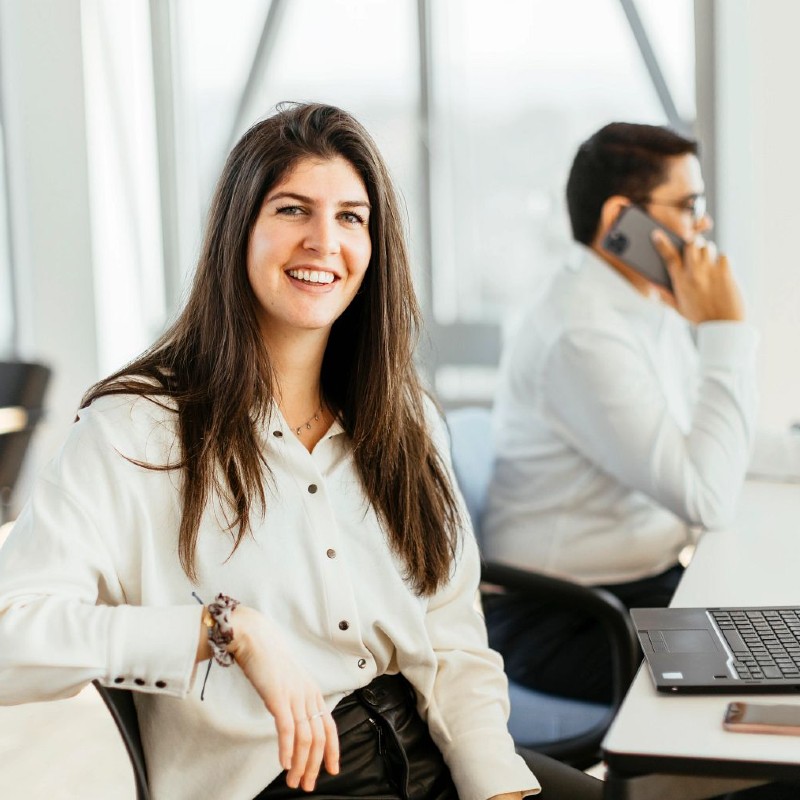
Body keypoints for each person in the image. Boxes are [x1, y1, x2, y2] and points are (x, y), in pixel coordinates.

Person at [0, 103, 604, 800]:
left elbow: (453, 643)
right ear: (238, 232)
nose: (325, 241)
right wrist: (220, 631)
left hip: (431, 757)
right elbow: (12, 635)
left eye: (351, 217)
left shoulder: (404, 418)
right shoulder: (137, 426)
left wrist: (495, 785)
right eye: (293, 210)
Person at [483, 122, 756, 704]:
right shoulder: (582, 334)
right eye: (689, 205)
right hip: (567, 619)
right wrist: (725, 331)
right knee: (765, 676)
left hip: (641, 589)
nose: (702, 224)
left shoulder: (641, 305)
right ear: (621, 220)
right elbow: (708, 497)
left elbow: (705, 442)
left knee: (774, 635)